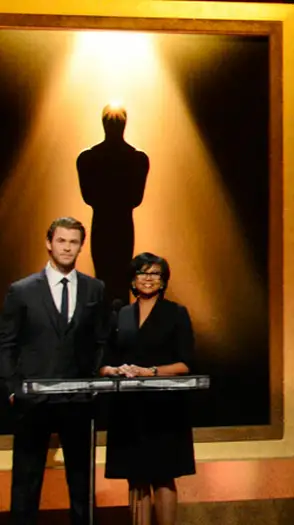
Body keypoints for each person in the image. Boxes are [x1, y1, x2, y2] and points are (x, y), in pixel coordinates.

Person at [0, 217, 108, 525]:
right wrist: (12, 389)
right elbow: (6, 343)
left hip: (78, 400)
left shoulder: (94, 289)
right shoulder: (21, 291)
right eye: (61, 241)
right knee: (27, 480)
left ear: (81, 246)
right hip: (32, 400)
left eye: (74, 242)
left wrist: (93, 384)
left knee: (81, 481)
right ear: (49, 243)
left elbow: (101, 340)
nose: (67, 248)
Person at [99, 252, 196, 525]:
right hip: (129, 408)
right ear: (133, 279)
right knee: (136, 477)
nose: (148, 278)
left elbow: (186, 363)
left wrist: (151, 372)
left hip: (165, 409)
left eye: (155, 274)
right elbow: (105, 361)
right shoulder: (121, 314)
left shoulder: (176, 313)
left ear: (163, 281)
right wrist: (113, 370)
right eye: (142, 273)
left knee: (163, 476)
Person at [77, 103, 150, 307]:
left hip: (101, 224)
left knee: (103, 277)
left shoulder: (87, 158)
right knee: (120, 279)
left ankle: (105, 322)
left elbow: (88, 197)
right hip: (123, 225)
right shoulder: (138, 159)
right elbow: (136, 199)